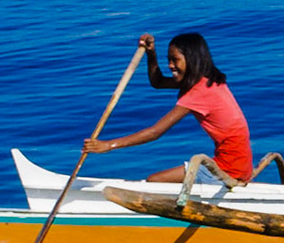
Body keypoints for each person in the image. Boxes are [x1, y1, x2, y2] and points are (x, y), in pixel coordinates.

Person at [82, 32, 253, 182]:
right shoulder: (208, 81)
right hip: (241, 164)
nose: (170, 65)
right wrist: (151, 54)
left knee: (155, 180)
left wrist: (109, 145)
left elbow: (155, 132)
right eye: (169, 60)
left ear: (192, 59)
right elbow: (158, 82)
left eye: (175, 60)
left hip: (229, 168)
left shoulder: (198, 92)